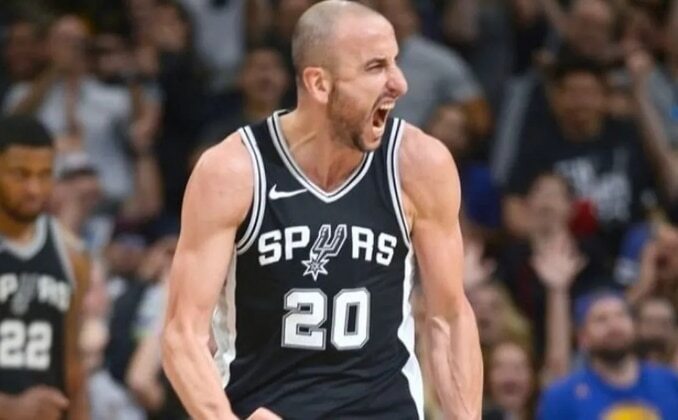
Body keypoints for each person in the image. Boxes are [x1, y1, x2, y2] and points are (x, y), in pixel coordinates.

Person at [161, 1, 482, 419]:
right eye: (376, 67)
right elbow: (183, 335)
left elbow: (449, 318)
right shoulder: (234, 170)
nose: (399, 83)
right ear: (319, 83)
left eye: (395, 62)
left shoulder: (418, 163)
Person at [0, 115, 89, 419]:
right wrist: (9, 408)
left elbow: (73, 369)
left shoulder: (71, 256)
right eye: (20, 175)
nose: (34, 189)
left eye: (44, 175)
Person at [537, 291, 678, 419]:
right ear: (583, 337)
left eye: (621, 315)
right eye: (601, 319)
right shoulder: (562, 397)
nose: (614, 325)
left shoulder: (670, 383)